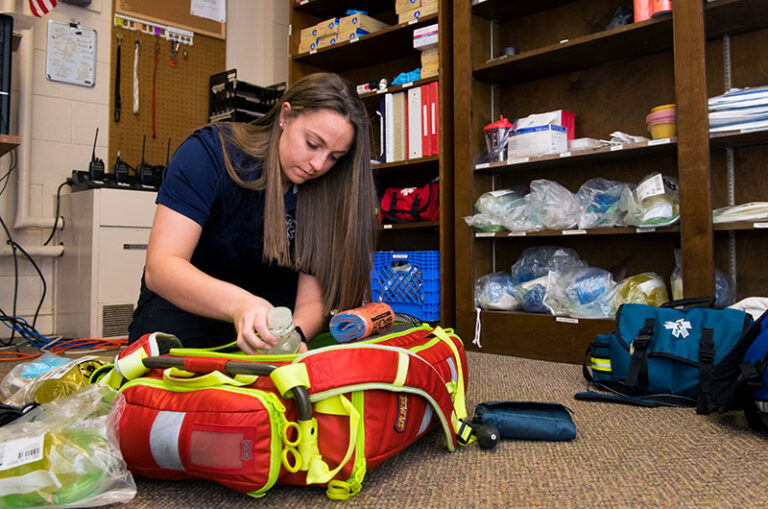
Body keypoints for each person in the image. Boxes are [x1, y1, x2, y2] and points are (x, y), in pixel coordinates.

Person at [128, 72, 377, 354]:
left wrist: (291, 337)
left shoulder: (324, 189)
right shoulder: (208, 155)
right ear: (285, 115)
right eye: (312, 144)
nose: (318, 164)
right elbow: (161, 268)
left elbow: (311, 301)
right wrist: (240, 304)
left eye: (335, 157)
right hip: (180, 320)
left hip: (265, 337)